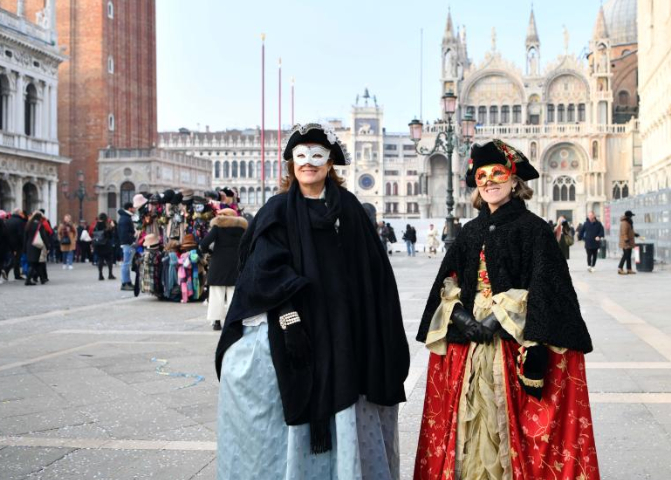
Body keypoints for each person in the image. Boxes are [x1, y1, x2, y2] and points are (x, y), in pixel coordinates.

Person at [215, 123, 409, 479]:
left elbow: (373, 272)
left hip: (343, 330)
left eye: (317, 156)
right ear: (291, 163)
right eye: (301, 156)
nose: (308, 163)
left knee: (352, 401)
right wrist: (290, 316)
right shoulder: (277, 211)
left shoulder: (349, 209)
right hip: (295, 328)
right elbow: (261, 271)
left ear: (330, 162)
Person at [414, 139, 599, 479]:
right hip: (470, 349)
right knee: (470, 428)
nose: (488, 181)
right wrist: (461, 316)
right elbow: (448, 282)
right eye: (481, 175)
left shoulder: (535, 230)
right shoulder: (469, 232)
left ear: (515, 181)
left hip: (513, 345)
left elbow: (548, 289)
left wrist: (499, 319)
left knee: (511, 434)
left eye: (497, 173)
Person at [200, 208, 247, 331]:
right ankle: (234, 320)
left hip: (219, 263)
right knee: (234, 292)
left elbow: (203, 244)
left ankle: (216, 321)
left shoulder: (217, 227)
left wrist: (212, 252)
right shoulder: (242, 229)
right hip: (236, 263)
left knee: (217, 293)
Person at [23, 211, 48, 285]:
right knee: (34, 263)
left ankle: (42, 279)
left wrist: (24, 248)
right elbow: (44, 237)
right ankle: (28, 280)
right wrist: (47, 246)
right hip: (36, 245)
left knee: (36, 263)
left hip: (29, 245)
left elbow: (25, 237)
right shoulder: (39, 225)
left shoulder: (28, 224)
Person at [117, 201, 137, 291]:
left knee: (127, 263)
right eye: (133, 208)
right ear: (130, 208)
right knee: (126, 263)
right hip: (127, 244)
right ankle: (125, 283)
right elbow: (124, 233)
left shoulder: (125, 217)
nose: (134, 209)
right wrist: (131, 241)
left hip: (126, 243)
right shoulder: (125, 218)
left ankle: (127, 281)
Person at [92, 213, 116, 281]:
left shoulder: (96, 225)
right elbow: (110, 235)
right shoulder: (106, 225)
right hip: (106, 244)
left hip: (98, 245)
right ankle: (110, 274)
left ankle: (100, 275)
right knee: (109, 259)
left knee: (100, 259)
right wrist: (112, 228)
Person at [5, 209, 26, 280]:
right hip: (17, 244)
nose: (22, 214)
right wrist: (23, 243)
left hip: (8, 243)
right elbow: (21, 234)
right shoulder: (20, 221)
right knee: (16, 259)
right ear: (18, 213)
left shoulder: (8, 220)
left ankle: (12, 272)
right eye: (21, 213)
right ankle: (13, 272)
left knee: (13, 258)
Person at [618, 209, 638, 275]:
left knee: (628, 255)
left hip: (629, 241)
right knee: (625, 255)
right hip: (625, 242)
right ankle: (620, 268)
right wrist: (626, 240)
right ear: (628, 216)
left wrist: (635, 234)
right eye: (631, 216)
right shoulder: (624, 223)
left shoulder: (628, 222)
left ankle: (629, 269)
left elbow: (630, 231)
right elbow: (624, 233)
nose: (631, 217)